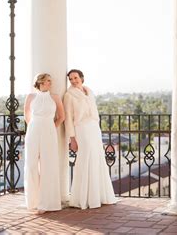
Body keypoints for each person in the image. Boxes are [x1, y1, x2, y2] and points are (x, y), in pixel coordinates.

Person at [63, 69, 117, 209]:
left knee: (97, 159)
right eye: (71, 79)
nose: (73, 81)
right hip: (81, 129)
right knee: (85, 159)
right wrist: (72, 139)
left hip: (94, 128)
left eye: (75, 78)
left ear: (82, 78)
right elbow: (68, 118)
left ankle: (98, 196)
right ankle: (83, 198)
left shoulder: (89, 91)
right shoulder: (69, 95)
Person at [24, 73, 65, 214]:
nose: (50, 83)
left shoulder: (55, 97)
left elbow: (61, 117)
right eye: (48, 81)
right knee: (31, 164)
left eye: (50, 81)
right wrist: (35, 127)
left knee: (48, 165)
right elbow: (26, 116)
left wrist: (50, 127)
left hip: (49, 131)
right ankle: (33, 201)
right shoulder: (30, 97)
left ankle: (46, 203)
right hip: (33, 131)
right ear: (40, 81)